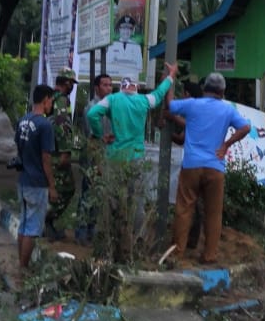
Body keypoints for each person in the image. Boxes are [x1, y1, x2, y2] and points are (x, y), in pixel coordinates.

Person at [87, 62, 178, 259]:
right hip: (136, 157)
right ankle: (136, 243)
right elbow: (160, 94)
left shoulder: (112, 99)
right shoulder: (144, 101)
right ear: (136, 86)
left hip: (114, 157)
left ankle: (106, 244)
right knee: (136, 202)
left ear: (122, 86)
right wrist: (170, 76)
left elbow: (91, 114)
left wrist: (101, 134)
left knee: (110, 200)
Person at [168, 72, 251, 265]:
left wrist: (169, 78)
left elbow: (170, 105)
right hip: (215, 166)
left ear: (205, 88)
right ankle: (209, 255)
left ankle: (177, 252)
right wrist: (225, 145)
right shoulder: (227, 110)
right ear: (222, 92)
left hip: (191, 165)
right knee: (213, 213)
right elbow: (245, 127)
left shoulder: (193, 104)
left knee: (184, 209)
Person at [14, 84, 57, 268]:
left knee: (23, 225)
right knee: (32, 228)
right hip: (37, 182)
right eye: (51, 101)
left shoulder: (23, 121)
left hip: (23, 180)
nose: (52, 104)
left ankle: (21, 264)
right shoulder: (45, 125)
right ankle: (23, 268)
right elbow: (46, 158)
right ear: (46, 99)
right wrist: (52, 186)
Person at [76, 72, 113, 245]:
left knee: (97, 196)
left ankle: (91, 230)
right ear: (97, 88)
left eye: (110, 85)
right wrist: (98, 162)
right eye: (105, 85)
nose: (108, 88)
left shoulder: (109, 107)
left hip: (105, 157)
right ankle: (81, 233)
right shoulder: (92, 108)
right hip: (93, 158)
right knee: (88, 196)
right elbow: (93, 139)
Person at [48, 68, 80, 239]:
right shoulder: (61, 100)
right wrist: (65, 151)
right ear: (66, 83)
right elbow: (62, 126)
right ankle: (46, 221)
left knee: (54, 188)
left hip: (49, 151)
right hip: (57, 153)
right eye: (72, 84)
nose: (72, 87)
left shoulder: (50, 97)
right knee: (66, 188)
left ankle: (46, 222)